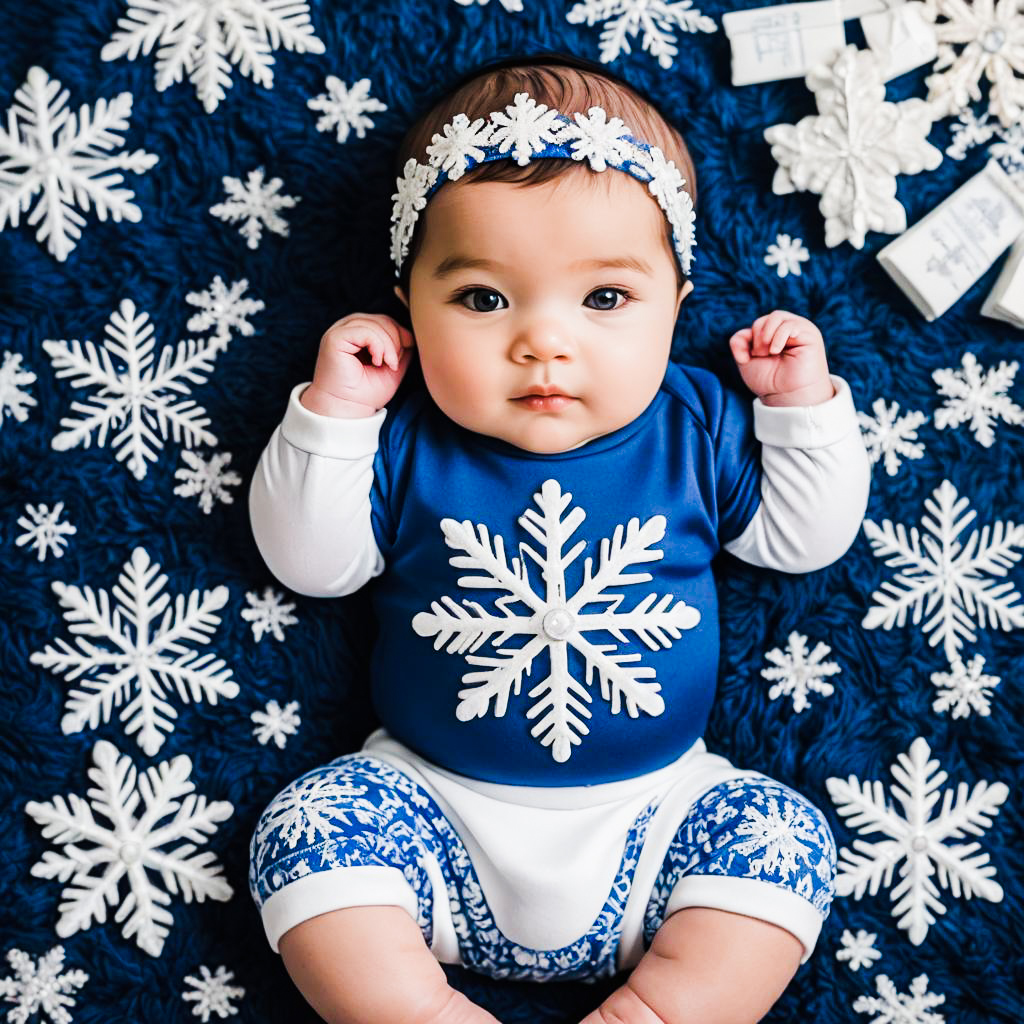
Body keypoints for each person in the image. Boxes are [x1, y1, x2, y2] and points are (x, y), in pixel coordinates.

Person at [247, 51, 871, 1024]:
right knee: (305, 827)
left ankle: (658, 1010)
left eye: (605, 299)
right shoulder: (407, 436)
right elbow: (309, 563)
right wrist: (334, 415)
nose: (544, 339)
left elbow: (801, 540)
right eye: (483, 298)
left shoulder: (694, 425)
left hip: (664, 815)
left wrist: (800, 409)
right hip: (428, 808)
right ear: (408, 303)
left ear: (677, 301)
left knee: (784, 838)